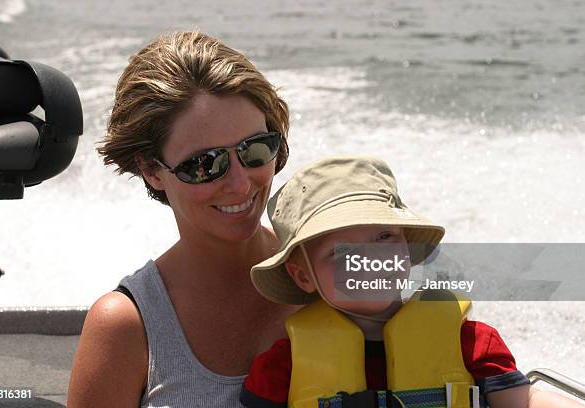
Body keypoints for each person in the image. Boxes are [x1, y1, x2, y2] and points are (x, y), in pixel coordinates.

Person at [67, 31, 299, 407]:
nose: (241, 185)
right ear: (151, 170)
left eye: (255, 149)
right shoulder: (127, 327)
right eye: (205, 164)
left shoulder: (330, 277)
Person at [241, 156, 582, 408]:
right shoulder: (283, 366)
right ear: (303, 276)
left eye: (384, 236)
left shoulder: (471, 342)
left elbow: (525, 400)